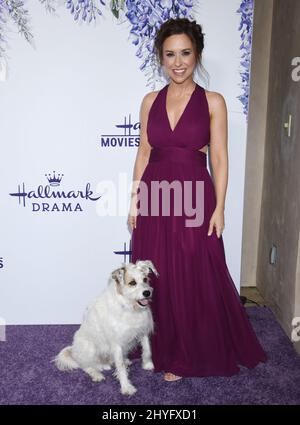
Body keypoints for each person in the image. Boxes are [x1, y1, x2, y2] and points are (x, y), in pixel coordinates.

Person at [127, 18, 267, 381]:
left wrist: (219, 207)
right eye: (170, 54)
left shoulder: (213, 102)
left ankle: (189, 354)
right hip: (155, 194)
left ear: (197, 54)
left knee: (193, 272)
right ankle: (162, 348)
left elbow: (219, 157)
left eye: (185, 53)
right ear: (160, 57)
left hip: (193, 195)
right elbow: (144, 153)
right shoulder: (149, 101)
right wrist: (134, 201)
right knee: (158, 273)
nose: (178, 62)